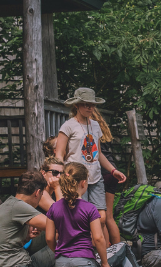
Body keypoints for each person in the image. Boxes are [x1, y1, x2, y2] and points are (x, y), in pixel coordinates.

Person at [52, 88, 128, 245]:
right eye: (86, 105)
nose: (90, 108)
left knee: (102, 217)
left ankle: (96, 248)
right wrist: (60, 173)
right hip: (76, 178)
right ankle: (84, 248)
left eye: (92, 105)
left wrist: (113, 170)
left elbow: (98, 153)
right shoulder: (68, 126)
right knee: (81, 216)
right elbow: (59, 153)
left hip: (95, 176)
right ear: (77, 105)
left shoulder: (95, 125)